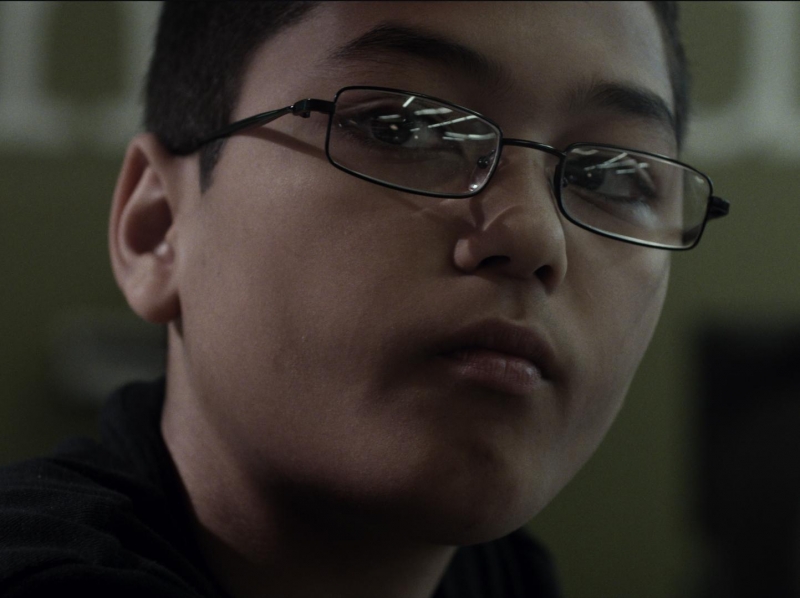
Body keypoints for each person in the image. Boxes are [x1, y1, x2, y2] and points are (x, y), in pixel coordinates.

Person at [0, 2, 729, 597]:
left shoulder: (503, 576)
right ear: (158, 228)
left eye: (615, 177)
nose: (537, 237)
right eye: (403, 128)